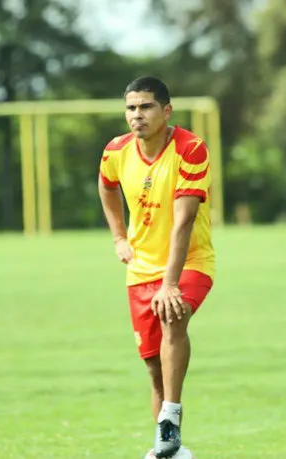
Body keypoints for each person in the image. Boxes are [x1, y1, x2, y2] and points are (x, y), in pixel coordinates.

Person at [98, 76, 216, 458]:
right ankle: (169, 450)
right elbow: (106, 185)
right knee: (153, 367)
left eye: (146, 107)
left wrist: (170, 283)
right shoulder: (115, 150)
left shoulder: (191, 149)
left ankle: (171, 416)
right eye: (131, 108)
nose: (137, 115)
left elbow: (183, 222)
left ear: (166, 111)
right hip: (141, 269)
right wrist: (118, 237)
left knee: (172, 317)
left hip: (190, 262)